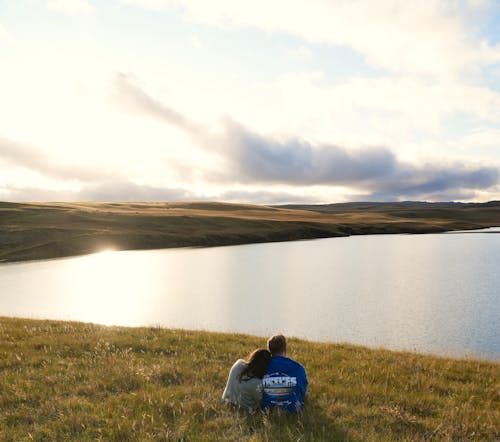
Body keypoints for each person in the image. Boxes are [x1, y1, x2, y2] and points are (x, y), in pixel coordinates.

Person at [262, 334, 308, 413]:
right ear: (285, 349)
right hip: (293, 409)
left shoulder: (262, 366)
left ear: (269, 350)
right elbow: (303, 391)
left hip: (268, 409)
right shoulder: (298, 368)